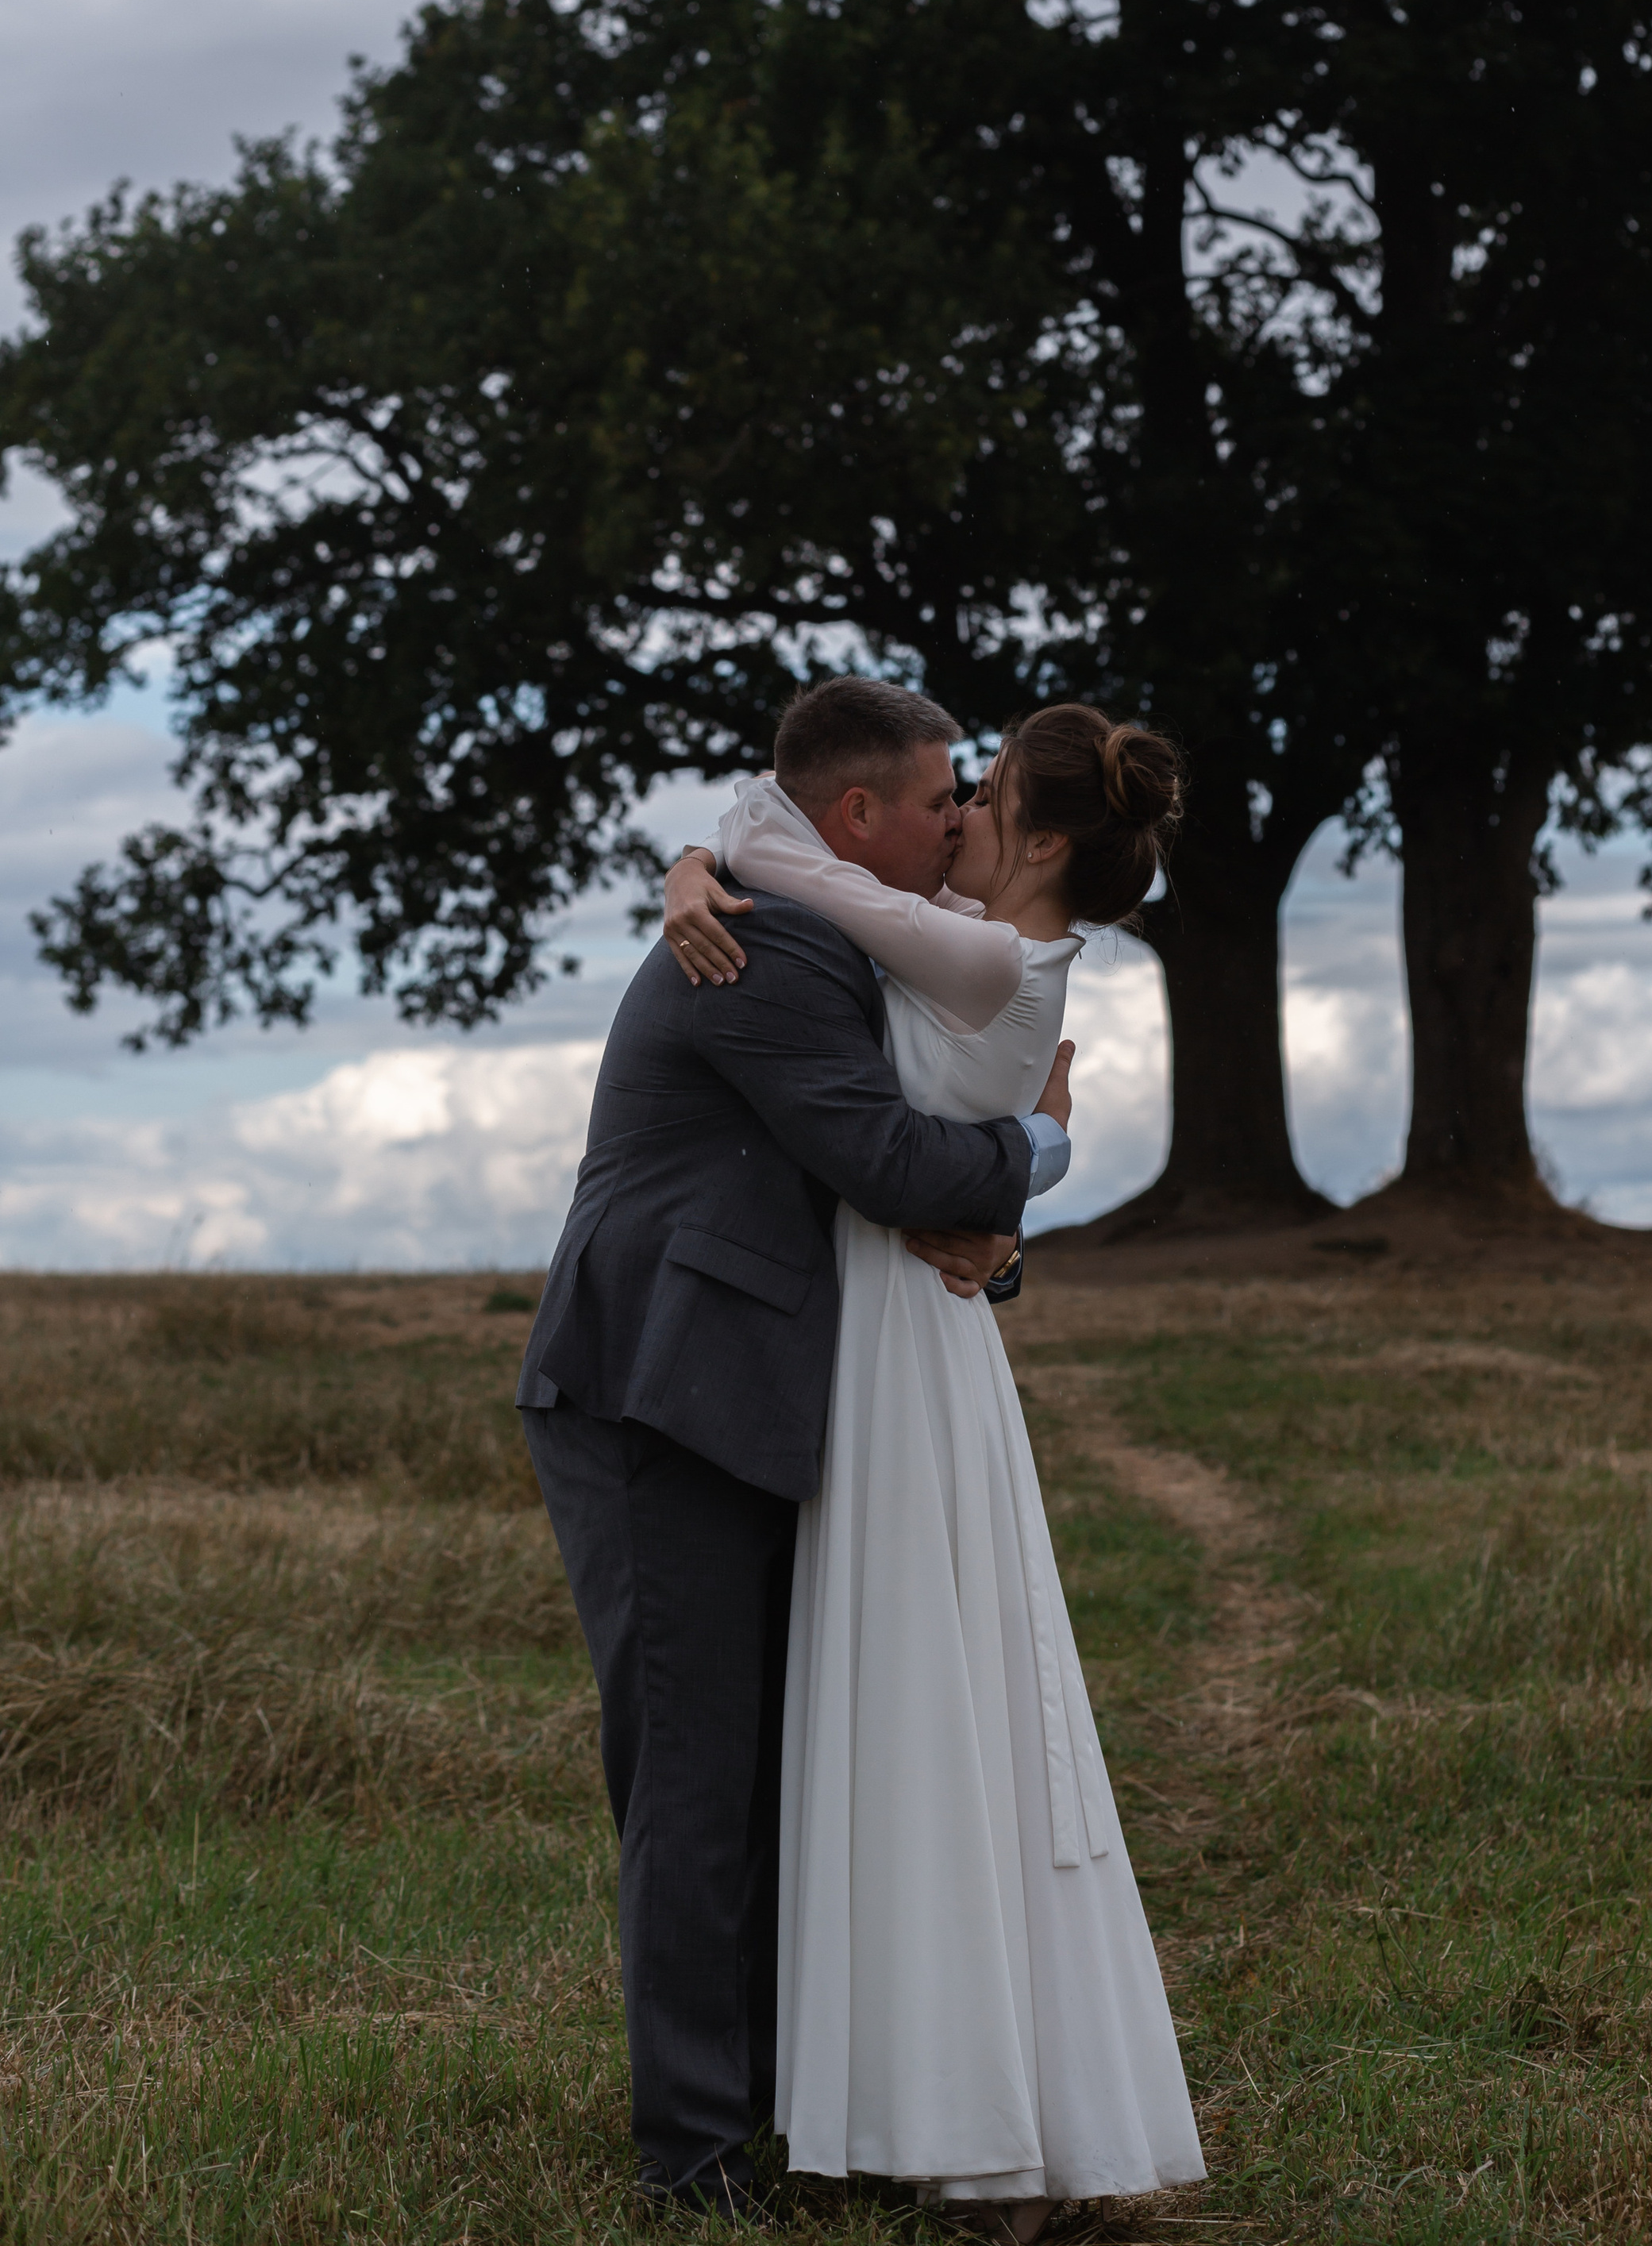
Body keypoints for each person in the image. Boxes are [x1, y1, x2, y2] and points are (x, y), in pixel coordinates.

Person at [516, 677, 1076, 2224]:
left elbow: (879, 1176)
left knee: (774, 1769)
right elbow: (878, 1158)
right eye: (943, 795)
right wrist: (1043, 1149)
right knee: (697, 1777)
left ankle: (776, 2099)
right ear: (859, 816)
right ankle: (690, 2159)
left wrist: (988, 1238)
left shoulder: (830, 924)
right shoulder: (758, 944)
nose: (962, 818)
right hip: (659, 1389)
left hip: (758, 1390)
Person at [664, 702, 1205, 2239]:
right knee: (926, 1710)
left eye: (981, 795)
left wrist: (709, 860)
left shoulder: (984, 960)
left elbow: (792, 853)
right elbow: (792, 846)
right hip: (898, 1340)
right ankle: (941, 2098)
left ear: (1040, 839)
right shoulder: (990, 947)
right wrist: (692, 864)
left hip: (900, 1353)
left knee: (929, 1714)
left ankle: (980, 2126)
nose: (952, 811)